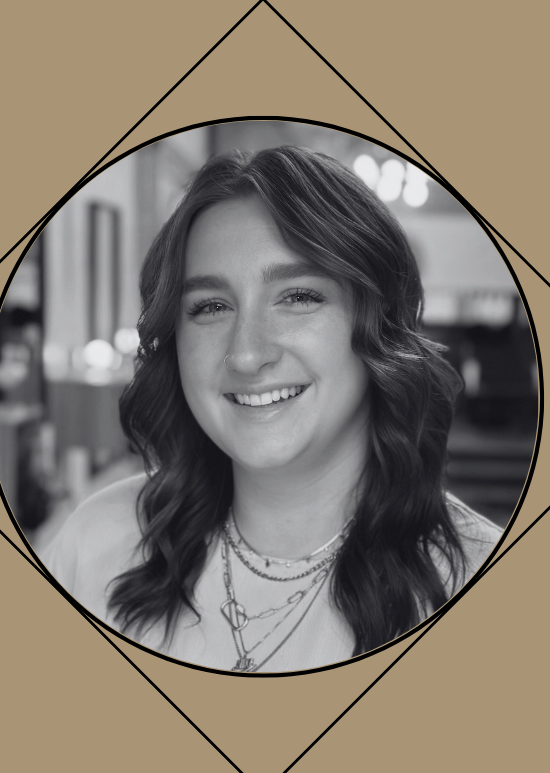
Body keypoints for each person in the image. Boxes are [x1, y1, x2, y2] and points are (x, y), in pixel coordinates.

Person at [41, 145, 501, 673]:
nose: (246, 353)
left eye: (299, 296)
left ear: (379, 325)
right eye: (210, 307)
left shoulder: (470, 574)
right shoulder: (97, 541)